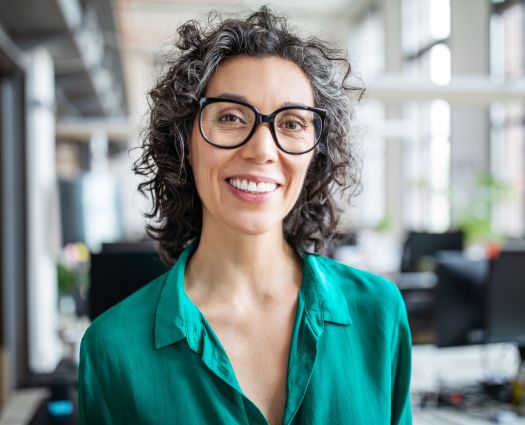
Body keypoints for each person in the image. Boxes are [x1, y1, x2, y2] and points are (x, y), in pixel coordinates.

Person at [78, 6, 412, 425]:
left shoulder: (378, 314)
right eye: (231, 117)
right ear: (184, 144)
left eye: (292, 123)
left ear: (316, 155)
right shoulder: (114, 348)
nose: (261, 150)